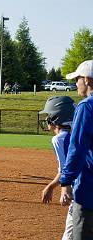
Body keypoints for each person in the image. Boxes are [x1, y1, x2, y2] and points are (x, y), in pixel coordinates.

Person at [59, 59, 93, 240]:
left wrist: (66, 182)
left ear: (87, 80)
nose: (76, 83)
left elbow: (77, 149)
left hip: (89, 192)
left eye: (78, 79)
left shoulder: (87, 106)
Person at [39, 96, 76, 240]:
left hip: (82, 189)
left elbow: (65, 169)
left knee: (70, 234)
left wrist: (54, 187)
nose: (47, 118)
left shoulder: (60, 138)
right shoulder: (79, 129)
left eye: (49, 115)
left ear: (56, 116)